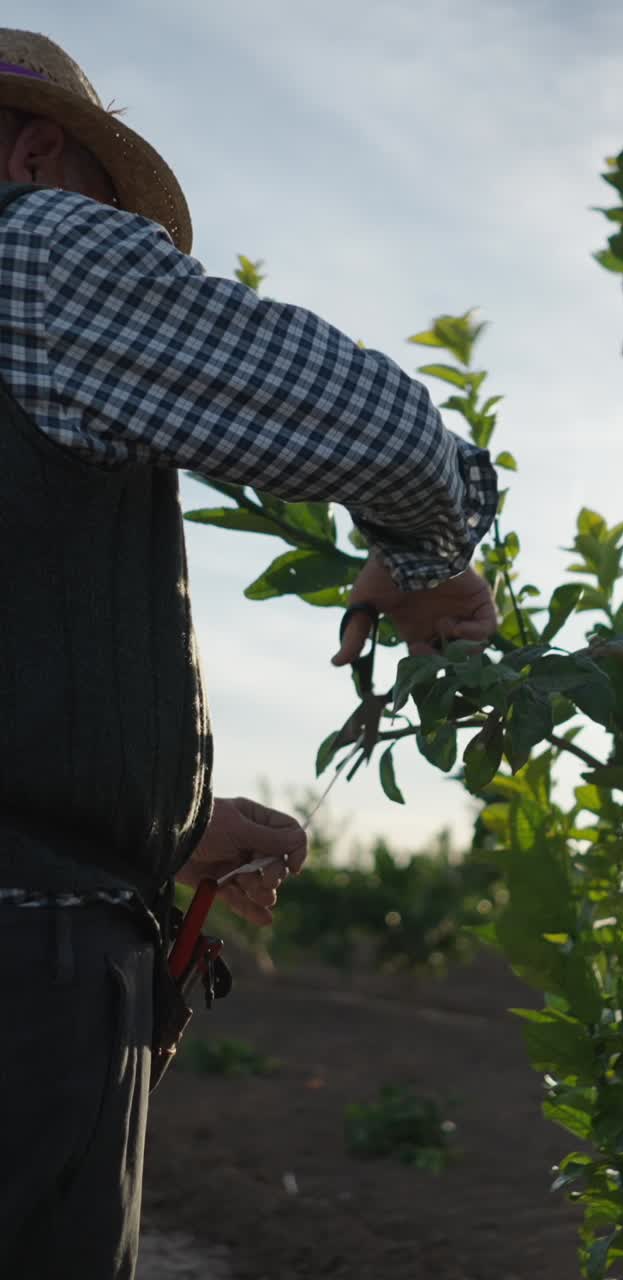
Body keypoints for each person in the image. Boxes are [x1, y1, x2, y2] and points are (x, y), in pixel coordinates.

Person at [0, 27, 499, 1280]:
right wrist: (433, 566)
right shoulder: (34, 248)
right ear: (34, 147)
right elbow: (381, 430)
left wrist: (155, 827)